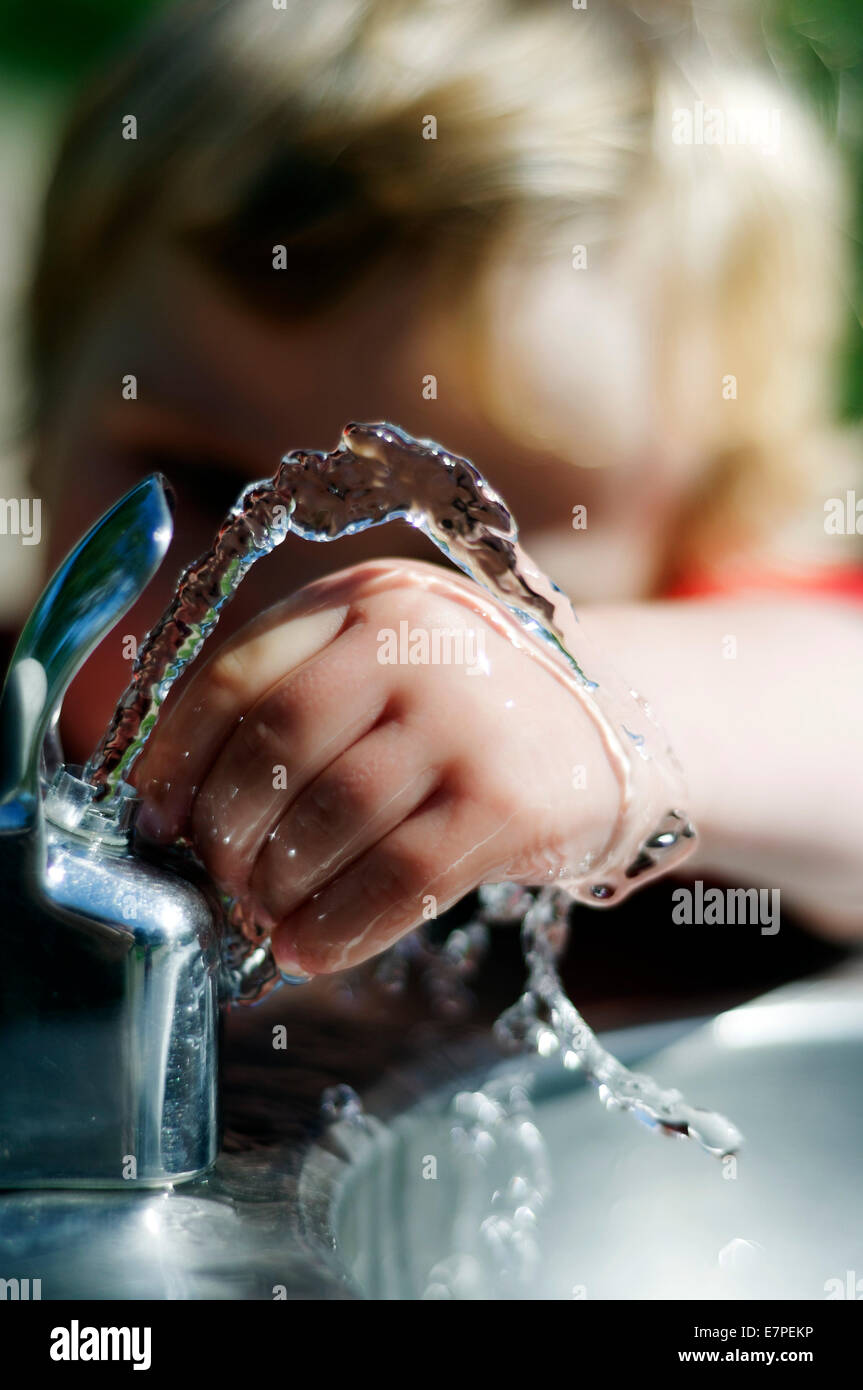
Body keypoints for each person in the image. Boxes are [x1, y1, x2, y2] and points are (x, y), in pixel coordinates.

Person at [23, 0, 863, 984]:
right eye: (213, 491)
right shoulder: (22, 748)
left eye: (458, 553)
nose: (288, 628)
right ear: (43, 415)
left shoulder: (738, 752)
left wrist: (594, 722)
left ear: (694, 538)